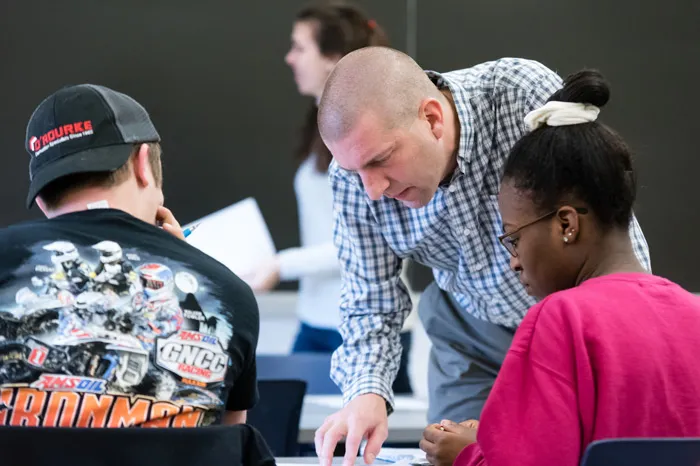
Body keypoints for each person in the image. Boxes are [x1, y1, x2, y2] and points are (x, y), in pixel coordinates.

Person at [313, 47, 652, 466]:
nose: (372, 190)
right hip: (467, 332)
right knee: (457, 458)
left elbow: (609, 224)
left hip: (568, 325)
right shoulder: (354, 183)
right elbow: (370, 298)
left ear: (433, 119)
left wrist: (633, 336)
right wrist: (366, 392)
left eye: (381, 160)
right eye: (355, 171)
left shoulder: (518, 97)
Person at [418, 69, 700, 466]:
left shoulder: (559, 319)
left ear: (567, 225)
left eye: (514, 238)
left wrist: (469, 454)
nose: (513, 261)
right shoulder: (693, 314)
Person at [0, 84, 260, 428]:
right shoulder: (226, 293)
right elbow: (230, 442)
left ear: (43, 197)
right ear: (143, 165)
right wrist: (188, 265)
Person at [244, 2, 413, 393]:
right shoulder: (322, 126)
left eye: (300, 47)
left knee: (371, 446)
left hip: (367, 325)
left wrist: (280, 265)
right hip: (314, 321)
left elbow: (368, 241)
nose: (289, 58)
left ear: (333, 59)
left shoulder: (371, 138)